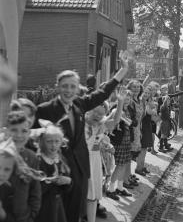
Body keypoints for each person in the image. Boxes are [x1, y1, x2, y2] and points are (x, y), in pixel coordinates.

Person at [33, 51, 129, 222]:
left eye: (72, 86)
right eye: (64, 86)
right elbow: (30, 137)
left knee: (75, 213)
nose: (68, 90)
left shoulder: (79, 104)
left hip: (81, 170)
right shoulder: (45, 110)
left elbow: (103, 92)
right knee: (55, 213)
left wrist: (123, 69)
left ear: (77, 89)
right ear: (58, 87)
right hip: (57, 171)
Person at [85, 88, 125, 222]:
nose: (97, 115)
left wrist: (120, 102)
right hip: (82, 160)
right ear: (89, 110)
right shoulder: (82, 123)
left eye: (101, 114)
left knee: (93, 195)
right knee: (81, 193)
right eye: (95, 112)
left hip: (95, 161)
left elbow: (116, 120)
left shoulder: (101, 126)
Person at [6, 111, 41, 222]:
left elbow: (35, 191)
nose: (19, 135)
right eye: (14, 130)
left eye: (24, 131)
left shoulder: (31, 157)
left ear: (29, 133)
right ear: (7, 132)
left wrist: (31, 215)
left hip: (23, 217)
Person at [35, 123, 72, 222]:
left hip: (57, 205)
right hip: (42, 207)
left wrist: (67, 181)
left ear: (61, 142)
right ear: (42, 142)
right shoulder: (39, 160)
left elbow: (66, 189)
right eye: (49, 141)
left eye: (57, 141)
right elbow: (36, 189)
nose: (53, 145)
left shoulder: (60, 159)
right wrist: (52, 181)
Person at [107, 90, 133, 200]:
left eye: (128, 99)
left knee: (124, 164)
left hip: (126, 141)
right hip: (120, 142)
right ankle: (111, 189)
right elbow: (129, 123)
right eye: (125, 99)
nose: (127, 101)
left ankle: (120, 187)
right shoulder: (116, 110)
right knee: (119, 165)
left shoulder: (127, 110)